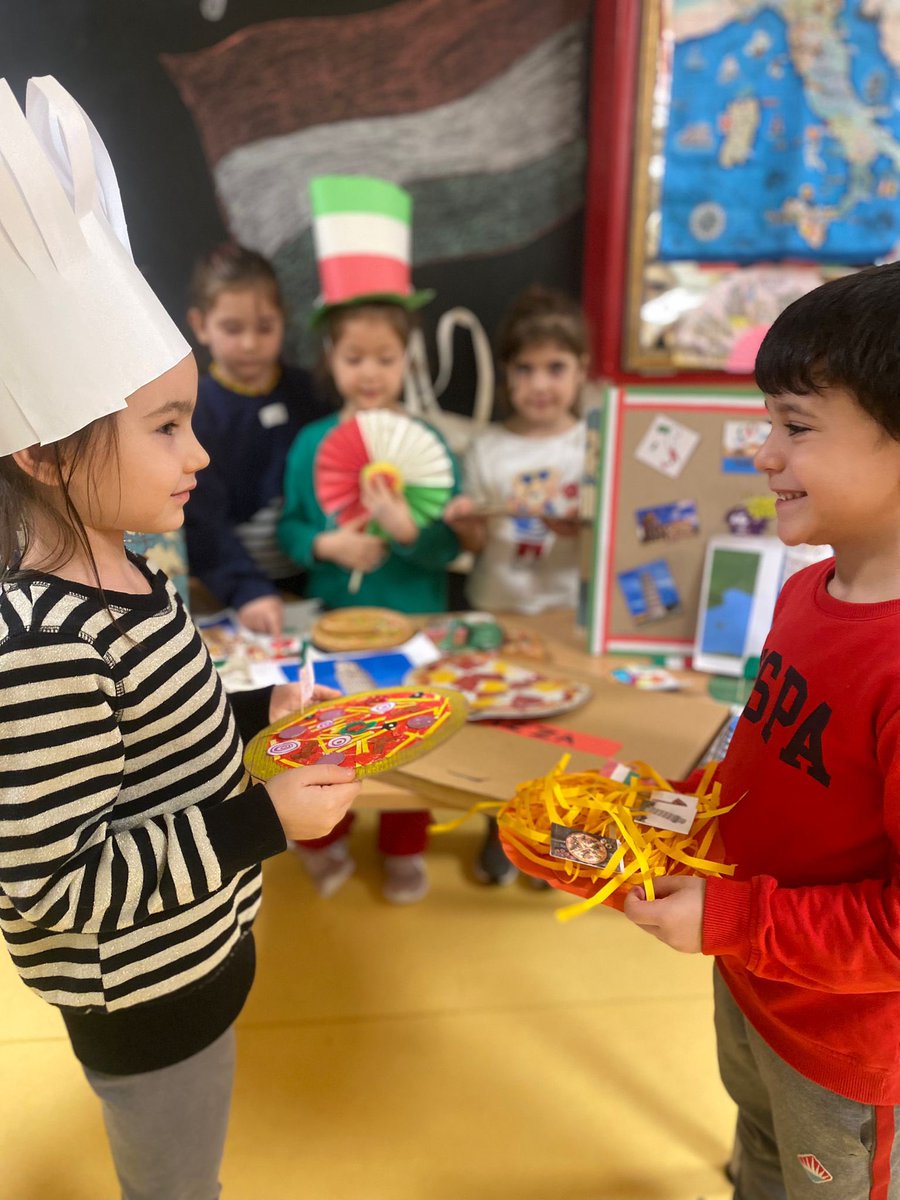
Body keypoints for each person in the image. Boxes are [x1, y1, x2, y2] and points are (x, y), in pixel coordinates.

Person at [0, 78, 359, 1200]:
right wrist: (262, 817)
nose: (196, 455)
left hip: (196, 957)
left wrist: (259, 717)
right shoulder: (42, 643)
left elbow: (157, 723)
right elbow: (48, 885)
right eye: (165, 428)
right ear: (45, 452)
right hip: (143, 996)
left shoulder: (128, 563)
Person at [624, 262, 900, 1200]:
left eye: (796, 427)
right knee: (759, 1155)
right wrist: (680, 813)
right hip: (751, 979)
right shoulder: (803, 590)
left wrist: (733, 917)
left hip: (847, 1043)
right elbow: (766, 745)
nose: (763, 453)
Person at [278, 174, 461, 906]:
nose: (372, 373)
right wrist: (328, 549)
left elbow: (448, 552)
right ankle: (319, 838)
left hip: (414, 624)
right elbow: (290, 532)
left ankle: (404, 845)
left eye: (386, 358)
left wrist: (408, 530)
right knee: (329, 738)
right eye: (356, 359)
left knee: (412, 740)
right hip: (336, 627)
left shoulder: (431, 444)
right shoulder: (311, 444)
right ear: (332, 361)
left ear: (406, 359)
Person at [444, 286, 589, 885]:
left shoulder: (593, 444)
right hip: (496, 607)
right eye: (525, 369)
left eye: (556, 367)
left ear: (582, 372)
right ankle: (498, 833)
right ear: (506, 374)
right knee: (500, 729)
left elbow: (615, 543)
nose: (540, 383)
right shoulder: (488, 447)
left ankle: (551, 843)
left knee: (560, 735)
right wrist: (469, 528)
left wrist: (582, 526)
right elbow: (474, 547)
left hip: (563, 613)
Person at [185, 243, 328, 634]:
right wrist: (245, 588)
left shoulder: (310, 394)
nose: (250, 343)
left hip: (316, 583)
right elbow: (202, 519)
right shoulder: (194, 411)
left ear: (283, 321)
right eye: (233, 329)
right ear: (201, 325)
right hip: (233, 592)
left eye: (264, 327)